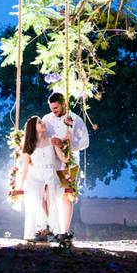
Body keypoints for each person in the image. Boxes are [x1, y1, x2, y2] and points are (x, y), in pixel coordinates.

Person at [42, 92, 89, 241]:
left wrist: (66, 144)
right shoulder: (46, 119)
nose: (54, 111)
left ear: (63, 104)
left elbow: (85, 142)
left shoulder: (75, 119)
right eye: (51, 108)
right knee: (48, 194)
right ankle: (49, 227)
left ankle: (64, 231)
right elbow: (42, 137)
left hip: (69, 163)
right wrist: (52, 142)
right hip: (50, 163)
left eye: (56, 108)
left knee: (66, 196)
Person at [17, 115, 61, 241]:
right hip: (34, 176)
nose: (43, 123)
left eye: (42, 121)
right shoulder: (28, 146)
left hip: (50, 174)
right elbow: (25, 169)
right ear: (33, 128)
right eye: (39, 122)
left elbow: (63, 158)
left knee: (51, 202)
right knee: (34, 202)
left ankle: (51, 231)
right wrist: (19, 186)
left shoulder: (51, 141)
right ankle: (38, 230)